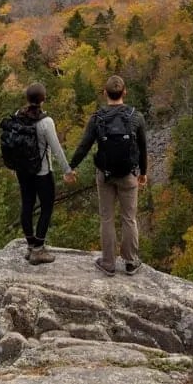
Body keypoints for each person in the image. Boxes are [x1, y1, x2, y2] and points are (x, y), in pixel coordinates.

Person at [69, 75, 148, 276]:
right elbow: (143, 148)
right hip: (129, 174)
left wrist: (71, 167)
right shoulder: (135, 117)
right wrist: (143, 173)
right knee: (129, 218)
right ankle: (130, 262)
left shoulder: (97, 118)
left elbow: (84, 146)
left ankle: (108, 263)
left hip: (104, 175)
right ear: (124, 92)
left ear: (105, 93)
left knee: (107, 218)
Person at [15, 82, 72, 264]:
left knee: (27, 206)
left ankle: (31, 245)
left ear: (27, 98)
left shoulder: (18, 116)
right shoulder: (46, 122)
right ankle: (38, 249)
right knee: (46, 207)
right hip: (42, 172)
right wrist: (67, 170)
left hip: (23, 171)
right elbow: (56, 149)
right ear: (43, 99)